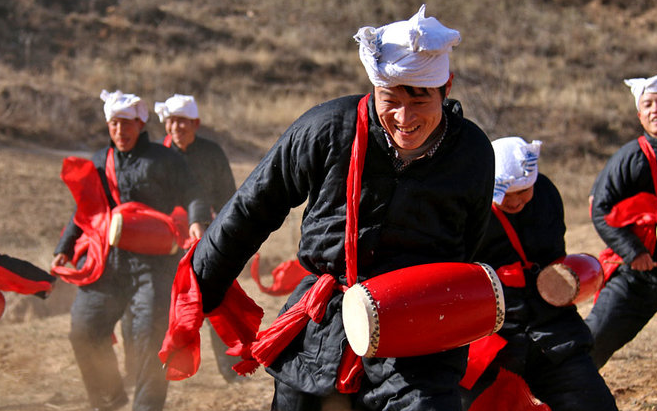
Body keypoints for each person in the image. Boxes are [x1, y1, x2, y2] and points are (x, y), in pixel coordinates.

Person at [189, 5, 495, 410]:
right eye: (391, 99)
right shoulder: (329, 128)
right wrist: (198, 292)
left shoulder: (471, 153)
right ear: (374, 90)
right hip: (323, 323)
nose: (404, 117)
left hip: (420, 332)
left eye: (420, 98)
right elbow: (255, 205)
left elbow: (467, 247)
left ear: (446, 87)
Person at [51, 90, 210, 411]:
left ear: (139, 123)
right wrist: (65, 246)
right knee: (84, 329)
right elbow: (86, 210)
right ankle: (109, 397)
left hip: (154, 266)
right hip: (108, 264)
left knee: (149, 341)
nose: (120, 131)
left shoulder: (165, 159)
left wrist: (196, 221)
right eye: (113, 124)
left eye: (126, 124)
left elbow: (194, 191)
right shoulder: (99, 161)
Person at [459, 137, 618, 411]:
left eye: (523, 192)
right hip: (491, 338)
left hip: (553, 331)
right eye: (505, 194)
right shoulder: (468, 201)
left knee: (594, 402)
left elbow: (553, 255)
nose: (515, 201)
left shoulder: (545, 194)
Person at [153, 93, 240, 382]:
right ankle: (166, 365)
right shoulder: (160, 155)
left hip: (207, 236)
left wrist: (227, 233)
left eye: (183, 121)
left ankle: (232, 370)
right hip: (166, 242)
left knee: (216, 300)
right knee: (169, 304)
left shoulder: (212, 152)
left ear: (196, 123)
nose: (177, 127)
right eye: (172, 121)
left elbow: (228, 194)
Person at [586, 74, 657, 369]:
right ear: (639, 114)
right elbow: (600, 208)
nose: (655, 110)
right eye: (648, 104)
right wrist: (634, 252)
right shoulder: (631, 158)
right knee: (594, 338)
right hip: (638, 271)